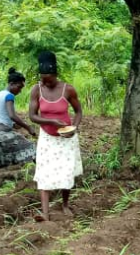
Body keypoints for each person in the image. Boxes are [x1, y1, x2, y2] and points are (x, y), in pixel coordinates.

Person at [28, 51, 84, 221]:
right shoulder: (36, 90)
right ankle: (45, 213)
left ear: (55, 74)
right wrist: (51, 121)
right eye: (43, 79)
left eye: (49, 79)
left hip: (66, 139)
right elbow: (32, 115)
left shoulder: (68, 90)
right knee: (44, 171)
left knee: (66, 172)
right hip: (46, 137)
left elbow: (78, 111)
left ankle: (65, 204)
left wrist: (74, 127)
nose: (46, 82)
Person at [0, 68, 36, 195]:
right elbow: (12, 115)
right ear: (12, 84)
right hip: (2, 133)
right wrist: (28, 127)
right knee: (32, 149)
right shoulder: (9, 96)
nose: (20, 90)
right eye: (19, 87)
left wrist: (10, 124)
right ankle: (44, 178)